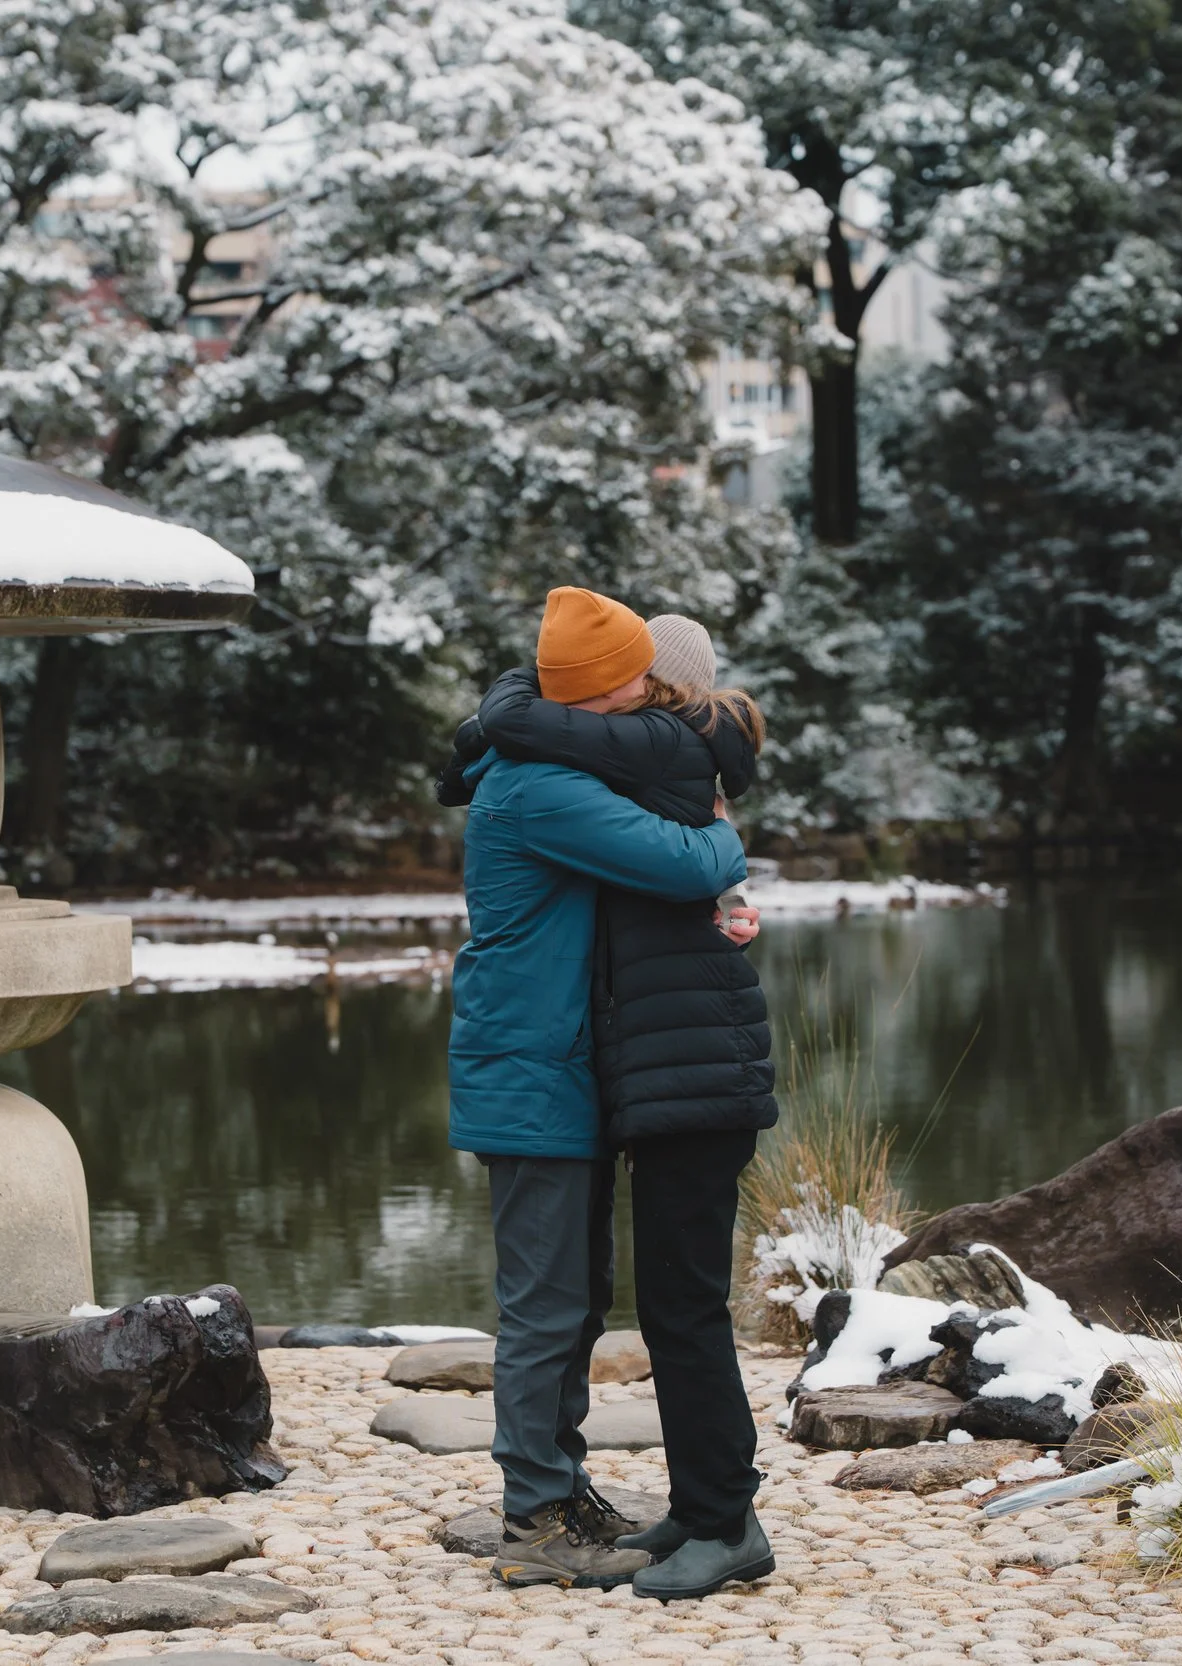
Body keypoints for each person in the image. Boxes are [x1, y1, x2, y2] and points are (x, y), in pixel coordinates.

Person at [439, 611, 779, 1600]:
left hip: (575, 1070)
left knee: (578, 1297)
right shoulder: (538, 786)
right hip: (532, 1070)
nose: (651, 698)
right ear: (593, 694)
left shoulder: (562, 765)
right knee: (545, 1305)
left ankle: (565, 1489)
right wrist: (722, 838)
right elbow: (690, 861)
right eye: (634, 683)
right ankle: (535, 1516)